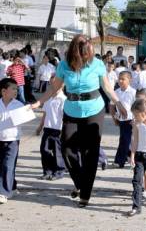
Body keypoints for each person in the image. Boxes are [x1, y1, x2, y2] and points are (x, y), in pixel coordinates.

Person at [31, 35, 127, 208]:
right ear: (76, 52)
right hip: (71, 109)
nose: (88, 55)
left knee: (90, 152)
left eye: (90, 52)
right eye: (85, 52)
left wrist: (118, 103)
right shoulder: (64, 65)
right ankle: (80, 182)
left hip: (94, 109)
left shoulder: (97, 64)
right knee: (67, 148)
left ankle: (85, 193)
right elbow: (55, 88)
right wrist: (40, 102)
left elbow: (106, 87)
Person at [36, 76, 66, 180]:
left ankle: (59, 172)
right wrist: (40, 126)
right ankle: (47, 171)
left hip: (58, 130)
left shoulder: (63, 99)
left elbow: (64, 117)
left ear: (62, 85)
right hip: (47, 128)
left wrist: (64, 130)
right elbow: (45, 113)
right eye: (51, 83)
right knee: (44, 150)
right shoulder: (47, 98)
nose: (53, 86)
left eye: (55, 83)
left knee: (58, 152)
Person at [0, 78, 24, 204]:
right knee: (4, 166)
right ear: (4, 91)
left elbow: (24, 119)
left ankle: (3, 193)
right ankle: (12, 187)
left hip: (13, 140)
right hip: (0, 138)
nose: (16, 91)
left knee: (8, 165)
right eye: (13, 88)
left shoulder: (18, 105)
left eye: (17, 88)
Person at [111, 71, 136, 168]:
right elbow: (112, 106)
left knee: (125, 140)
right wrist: (114, 119)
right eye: (119, 79)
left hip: (131, 120)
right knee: (125, 139)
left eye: (123, 79)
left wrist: (136, 119)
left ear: (129, 80)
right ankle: (129, 156)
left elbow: (136, 107)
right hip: (121, 120)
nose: (120, 81)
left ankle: (119, 161)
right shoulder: (115, 92)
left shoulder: (133, 92)